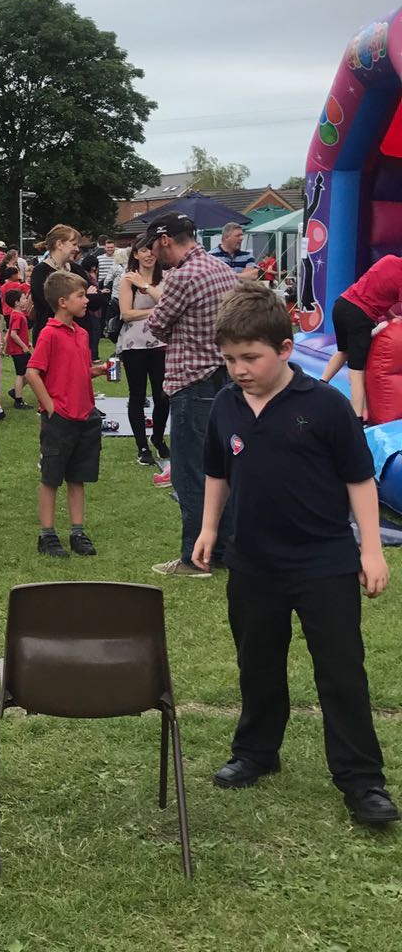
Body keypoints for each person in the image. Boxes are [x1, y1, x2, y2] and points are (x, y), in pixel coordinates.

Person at [195, 285, 397, 827]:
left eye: (250, 357)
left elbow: (360, 479)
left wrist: (371, 550)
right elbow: (216, 471)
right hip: (252, 562)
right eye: (230, 359)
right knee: (257, 662)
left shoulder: (325, 405)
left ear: (286, 349)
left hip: (323, 562)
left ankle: (362, 780)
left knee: (341, 670)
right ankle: (256, 751)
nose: (239, 369)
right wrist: (210, 528)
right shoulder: (226, 405)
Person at [143, 213, 238, 578]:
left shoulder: (182, 277)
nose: (153, 254)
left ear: (165, 240)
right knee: (222, 470)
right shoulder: (221, 268)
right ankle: (223, 549)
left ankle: (195, 557)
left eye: (153, 246)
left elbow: (156, 325)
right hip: (224, 380)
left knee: (192, 473)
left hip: (192, 383)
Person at [24, 271, 108, 558]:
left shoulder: (81, 334)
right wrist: (50, 407)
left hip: (85, 416)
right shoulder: (49, 334)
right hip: (60, 420)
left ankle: (77, 532)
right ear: (62, 302)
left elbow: (76, 371)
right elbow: (33, 373)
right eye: (80, 296)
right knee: (51, 478)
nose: (86, 301)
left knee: (78, 477)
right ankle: (47, 534)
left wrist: (95, 371)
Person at [320, 253, 402, 421]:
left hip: (341, 305)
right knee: (357, 371)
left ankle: (321, 383)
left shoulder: (388, 259)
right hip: (359, 316)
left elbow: (378, 293)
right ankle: (357, 417)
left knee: (344, 351)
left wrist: (392, 317)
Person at [115, 241, 169, 467]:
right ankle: (142, 446)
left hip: (160, 343)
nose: (148, 255)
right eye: (143, 250)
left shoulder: (166, 276)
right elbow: (126, 314)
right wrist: (156, 310)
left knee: (162, 395)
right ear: (135, 254)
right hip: (134, 344)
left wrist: (146, 287)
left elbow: (169, 303)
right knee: (137, 395)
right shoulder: (128, 278)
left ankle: (158, 437)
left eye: (151, 250)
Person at [28, 225, 88, 341]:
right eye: (74, 244)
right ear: (59, 244)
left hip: (78, 334)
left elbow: (95, 300)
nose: (77, 249)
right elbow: (48, 304)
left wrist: (74, 299)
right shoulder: (40, 272)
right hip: (51, 336)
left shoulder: (78, 270)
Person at [2, 287, 33, 408]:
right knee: (22, 374)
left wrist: (27, 342)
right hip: (19, 351)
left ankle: (15, 391)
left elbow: (17, 333)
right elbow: (13, 334)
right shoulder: (17, 316)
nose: (26, 300)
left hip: (20, 349)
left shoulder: (17, 314)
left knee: (29, 373)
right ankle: (18, 400)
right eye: (23, 298)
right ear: (17, 302)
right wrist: (24, 346)